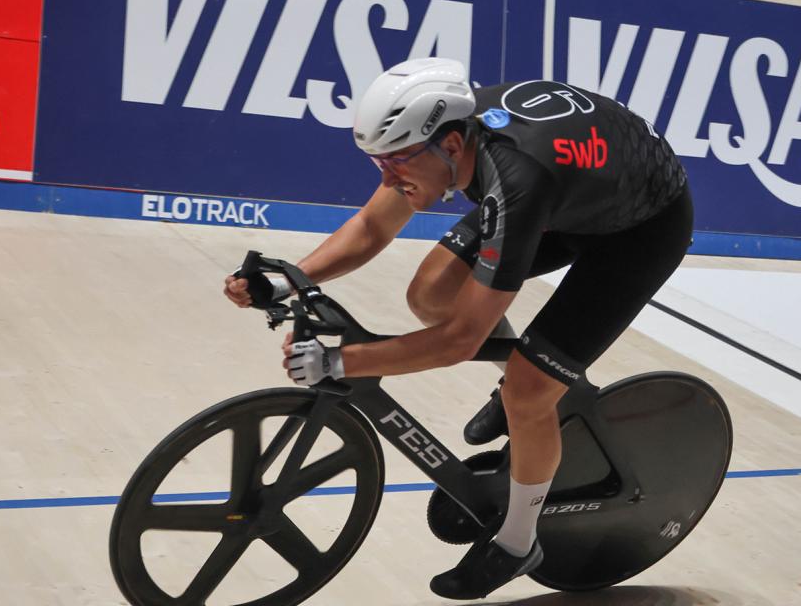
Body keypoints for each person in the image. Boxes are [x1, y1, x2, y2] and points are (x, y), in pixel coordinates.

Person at [224, 57, 693, 600]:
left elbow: (457, 342)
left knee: (529, 392)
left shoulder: (515, 181)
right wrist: (288, 280)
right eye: (378, 161)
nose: (386, 177)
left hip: (639, 231)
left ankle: (519, 544)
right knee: (430, 292)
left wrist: (338, 363)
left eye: (395, 162)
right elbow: (373, 225)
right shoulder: (455, 138)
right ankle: (521, 384)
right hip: (574, 196)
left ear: (449, 147)